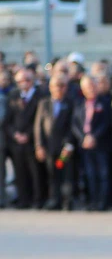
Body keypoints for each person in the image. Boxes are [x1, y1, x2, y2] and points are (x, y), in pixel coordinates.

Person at [70, 74, 112, 211]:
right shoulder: (79, 103)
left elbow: (106, 123)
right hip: (85, 145)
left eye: (93, 86)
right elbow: (75, 124)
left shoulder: (105, 102)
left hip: (100, 144)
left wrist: (94, 137)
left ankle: (103, 202)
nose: (90, 89)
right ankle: (92, 201)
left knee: (103, 174)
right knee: (89, 174)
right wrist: (83, 138)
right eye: (87, 87)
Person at [34, 74, 77, 210]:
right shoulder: (44, 103)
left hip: (65, 147)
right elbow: (38, 126)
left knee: (67, 176)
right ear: (50, 88)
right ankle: (54, 200)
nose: (59, 89)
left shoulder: (70, 103)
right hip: (49, 146)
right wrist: (39, 145)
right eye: (55, 86)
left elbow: (73, 125)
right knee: (52, 175)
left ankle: (67, 201)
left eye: (61, 86)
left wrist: (69, 144)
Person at [5, 68, 43, 208]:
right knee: (20, 173)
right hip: (16, 143)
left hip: (33, 141)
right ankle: (23, 200)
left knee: (36, 173)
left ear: (32, 81)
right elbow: (8, 120)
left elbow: (39, 120)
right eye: (20, 80)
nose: (24, 83)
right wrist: (15, 134)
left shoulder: (40, 96)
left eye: (27, 80)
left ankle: (38, 200)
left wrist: (28, 135)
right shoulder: (13, 95)